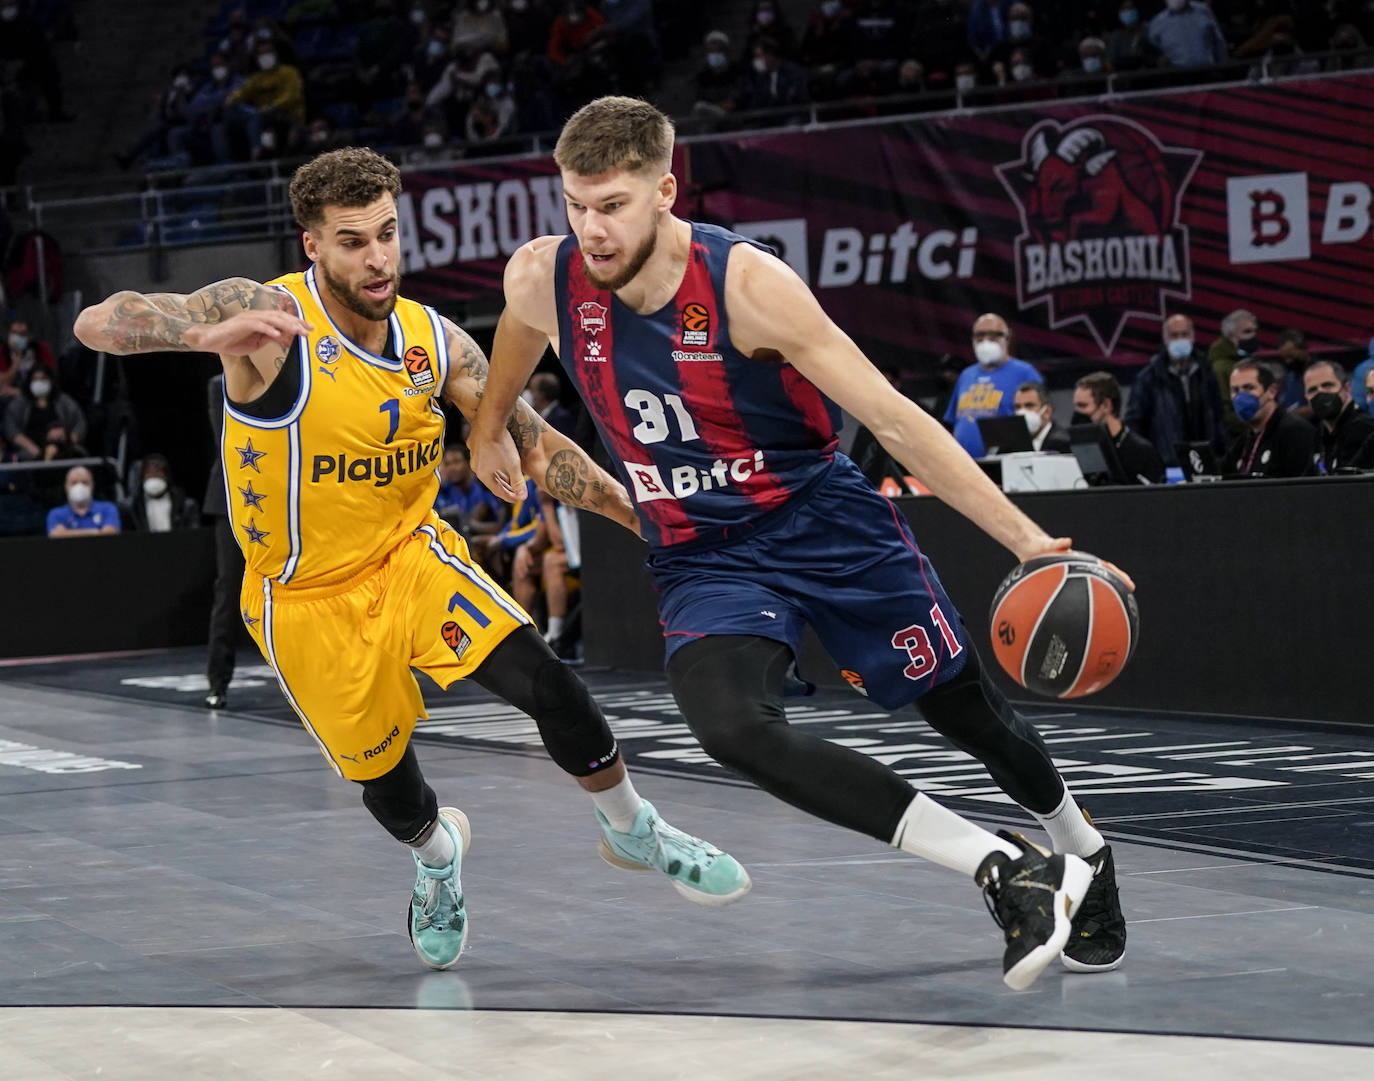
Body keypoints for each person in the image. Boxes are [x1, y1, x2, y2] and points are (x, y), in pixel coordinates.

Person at [469, 96, 1133, 991]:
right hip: (701, 553)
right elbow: (512, 351)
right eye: (576, 205)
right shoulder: (542, 278)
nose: (591, 228)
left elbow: (893, 418)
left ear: (665, 191)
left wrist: (1030, 543)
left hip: (822, 523)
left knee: (961, 711)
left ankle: (1081, 847)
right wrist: (485, 430)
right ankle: (1003, 869)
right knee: (732, 728)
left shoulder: (748, 285)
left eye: (613, 205)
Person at [72, 146, 750, 973]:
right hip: (304, 597)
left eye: (388, 233)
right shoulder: (265, 320)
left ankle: (632, 827)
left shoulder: (433, 342)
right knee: (393, 792)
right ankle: (436, 855)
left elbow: (538, 447)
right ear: (312, 246)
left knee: (548, 681)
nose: (378, 256)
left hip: (409, 558)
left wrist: (648, 517)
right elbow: (98, 321)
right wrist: (202, 333)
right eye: (353, 240)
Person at [1123, 314, 1226, 467]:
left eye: (1184, 334)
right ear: (1165, 339)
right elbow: (1135, 425)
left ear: (1192, 337)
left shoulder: (1206, 373)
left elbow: (1219, 418)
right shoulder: (1148, 378)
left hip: (1206, 459)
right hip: (1167, 463)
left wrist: (1223, 455)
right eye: (1174, 335)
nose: (1180, 339)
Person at [945, 313, 1042, 458]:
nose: (985, 341)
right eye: (980, 335)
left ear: (1007, 338)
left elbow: (1039, 418)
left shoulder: (1024, 372)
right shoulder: (966, 375)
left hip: (1003, 462)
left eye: (993, 336)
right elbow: (953, 422)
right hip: (966, 464)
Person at [204, 373, 246, 710]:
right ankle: (218, 682)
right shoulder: (219, 385)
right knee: (228, 588)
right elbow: (228, 437)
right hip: (233, 496)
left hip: (284, 492)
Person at [1219, 359, 1316, 478]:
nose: (1240, 397)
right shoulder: (1244, 439)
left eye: (1248, 388)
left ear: (1271, 391)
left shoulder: (1295, 432)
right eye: (1235, 390)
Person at [1072, 372, 1166, 484]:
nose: (1077, 413)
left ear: (1106, 405)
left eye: (1082, 406)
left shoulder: (1143, 453)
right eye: (1076, 406)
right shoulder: (1082, 449)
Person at [1304, 359, 1374, 474]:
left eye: (1327, 385)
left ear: (1347, 388)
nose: (1320, 393)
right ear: (1306, 397)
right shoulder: (1319, 432)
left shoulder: (1364, 427)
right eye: (1313, 390)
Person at [1209, 308, 1259, 436]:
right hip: (1235, 437)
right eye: (1247, 332)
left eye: (1255, 331)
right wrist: (1258, 423)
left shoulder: (1249, 362)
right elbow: (1224, 412)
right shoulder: (1221, 368)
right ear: (1230, 335)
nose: (1253, 336)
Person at [124, 452, 199, 532]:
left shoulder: (184, 504)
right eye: (149, 473)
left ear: (166, 475)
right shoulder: (133, 507)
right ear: (142, 477)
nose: (153, 477)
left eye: (157, 472)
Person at [1147, 0, 1228, 69]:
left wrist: (1223, 68)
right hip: (1177, 76)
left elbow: (1219, 43)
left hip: (1208, 71)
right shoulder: (1157, 23)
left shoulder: (1203, 11)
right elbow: (1153, 52)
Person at [47, 465, 120, 537]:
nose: (79, 487)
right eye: (74, 483)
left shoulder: (108, 508)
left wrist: (67, 533)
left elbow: (110, 534)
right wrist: (98, 531)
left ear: (92, 485)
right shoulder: (56, 514)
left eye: (84, 482)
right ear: (66, 486)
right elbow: (55, 535)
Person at [1012, 381, 1070, 453]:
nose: (1022, 412)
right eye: (1018, 407)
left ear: (1047, 411)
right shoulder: (1012, 444)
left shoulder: (1063, 442)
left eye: (1029, 406)